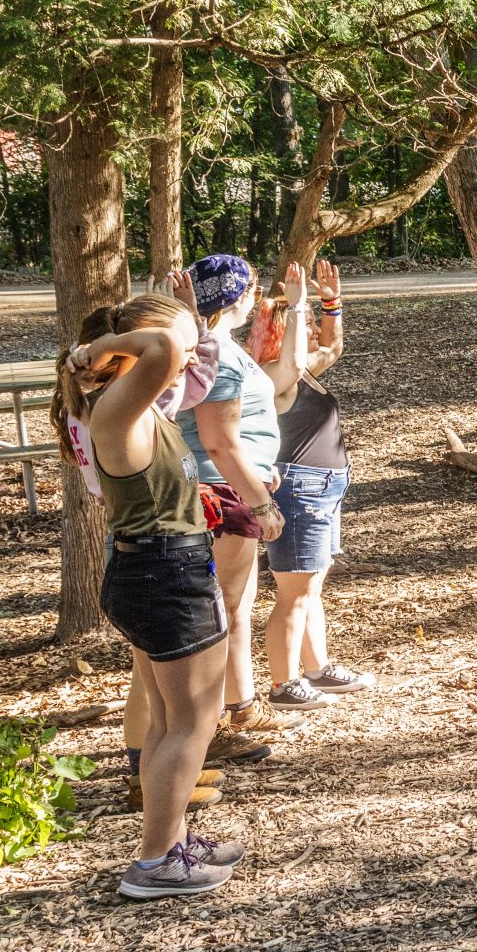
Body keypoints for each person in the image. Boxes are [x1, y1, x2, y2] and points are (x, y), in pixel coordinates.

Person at [56, 291, 249, 899]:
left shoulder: (138, 407)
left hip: (156, 572)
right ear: (126, 358)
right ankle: (156, 861)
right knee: (194, 721)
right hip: (165, 575)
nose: (186, 357)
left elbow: (182, 358)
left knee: (171, 720)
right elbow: (164, 348)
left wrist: (196, 325)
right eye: (178, 346)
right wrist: (97, 348)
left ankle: (171, 842)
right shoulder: (118, 413)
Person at [176, 255, 296, 746]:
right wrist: (260, 502)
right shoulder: (218, 355)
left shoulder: (219, 348)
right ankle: (213, 722)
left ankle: (240, 706)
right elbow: (219, 442)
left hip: (234, 488)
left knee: (237, 601)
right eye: (251, 289)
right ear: (238, 296)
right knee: (222, 604)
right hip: (219, 494)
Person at [254, 261, 373, 710]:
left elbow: (334, 346)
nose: (312, 333)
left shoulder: (301, 371)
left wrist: (331, 303)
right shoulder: (273, 375)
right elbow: (297, 356)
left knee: (310, 587)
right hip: (299, 491)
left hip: (322, 489)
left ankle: (317, 669)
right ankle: (284, 686)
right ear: (283, 333)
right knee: (293, 592)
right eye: (302, 326)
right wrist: (298, 304)